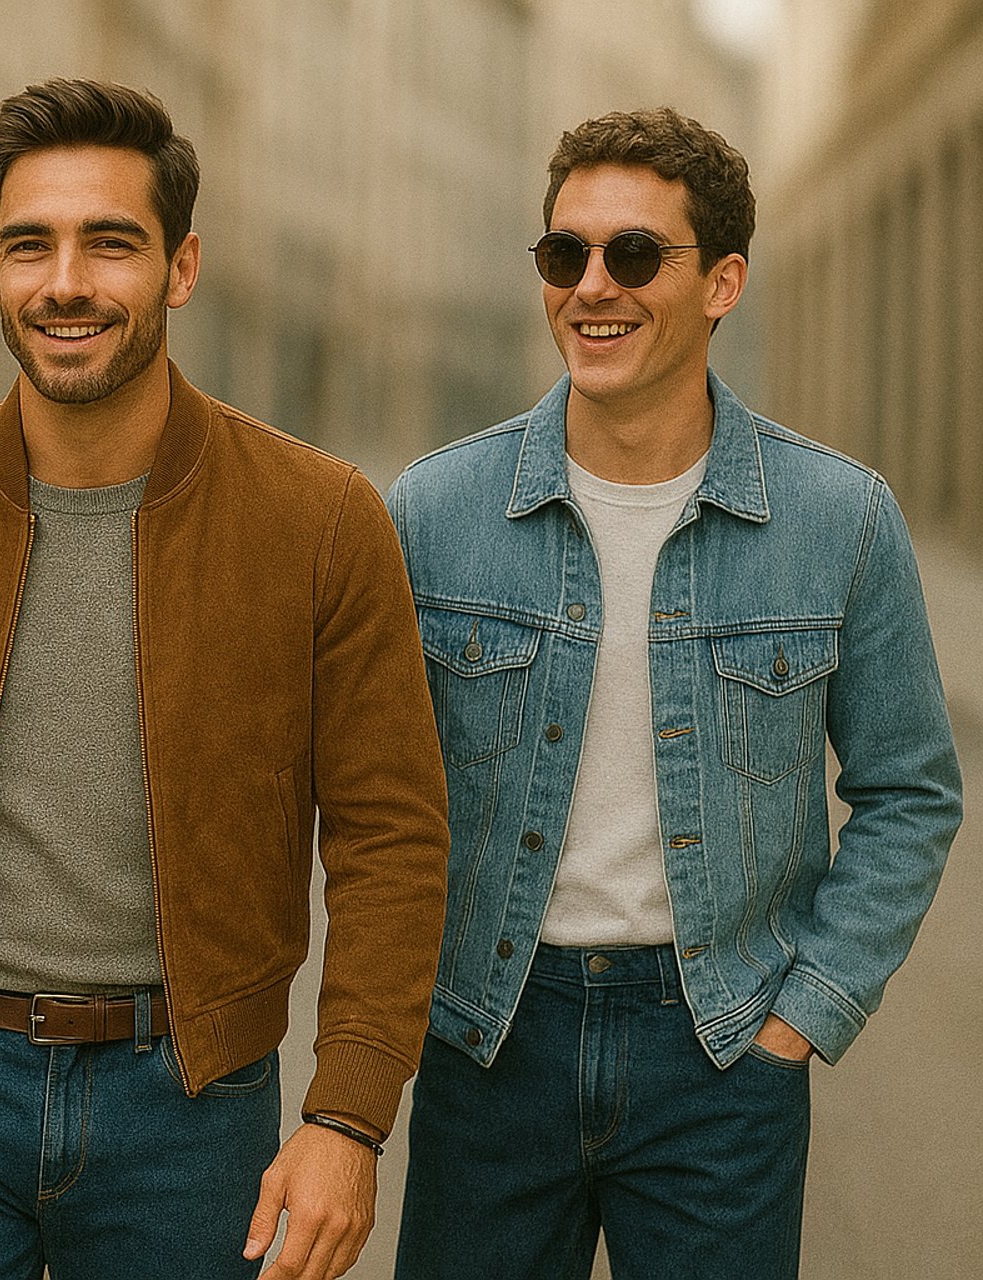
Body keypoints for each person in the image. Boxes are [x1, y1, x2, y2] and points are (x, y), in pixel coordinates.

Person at [0, 78, 450, 1280]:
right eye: (32, 245)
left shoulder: (322, 521)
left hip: (188, 1095)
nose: (65, 281)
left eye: (108, 242)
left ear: (180, 267)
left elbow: (390, 840)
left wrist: (345, 1116)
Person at [388, 108, 963, 1280]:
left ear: (724, 281)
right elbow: (368, 796)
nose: (592, 287)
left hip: (722, 1053)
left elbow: (910, 790)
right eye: (565, 255)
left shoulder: (841, 518)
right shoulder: (433, 512)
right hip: (494, 1037)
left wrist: (805, 1013)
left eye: (635, 254)